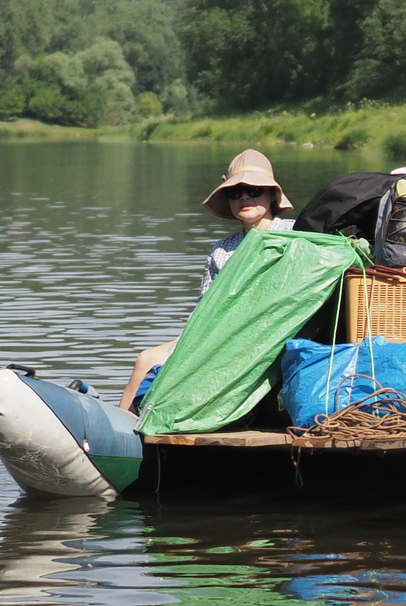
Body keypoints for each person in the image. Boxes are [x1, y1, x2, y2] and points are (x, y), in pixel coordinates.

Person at [117, 149, 294, 410]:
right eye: (235, 191)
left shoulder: (296, 234)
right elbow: (204, 309)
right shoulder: (222, 250)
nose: (244, 196)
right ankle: (123, 434)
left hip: (266, 333)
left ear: (271, 195)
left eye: (254, 190)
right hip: (216, 332)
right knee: (145, 359)